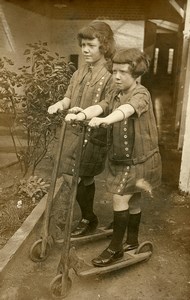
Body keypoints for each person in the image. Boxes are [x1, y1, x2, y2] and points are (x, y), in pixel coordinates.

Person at [65, 48, 162, 266]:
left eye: (123, 72)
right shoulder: (115, 94)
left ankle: (116, 248)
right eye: (115, 71)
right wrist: (83, 114)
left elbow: (126, 110)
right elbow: (102, 106)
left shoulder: (141, 94)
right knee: (134, 199)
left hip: (141, 160)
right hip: (124, 160)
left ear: (136, 74)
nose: (116, 76)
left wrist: (106, 121)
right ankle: (132, 241)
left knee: (120, 197)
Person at [48, 21, 115, 237]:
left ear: (103, 46)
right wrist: (61, 104)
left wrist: (87, 114)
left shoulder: (111, 74)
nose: (85, 49)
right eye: (83, 44)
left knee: (84, 176)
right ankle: (83, 216)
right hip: (73, 132)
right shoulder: (81, 70)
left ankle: (88, 218)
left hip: (93, 134)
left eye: (91, 45)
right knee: (70, 175)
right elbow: (69, 95)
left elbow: (108, 105)